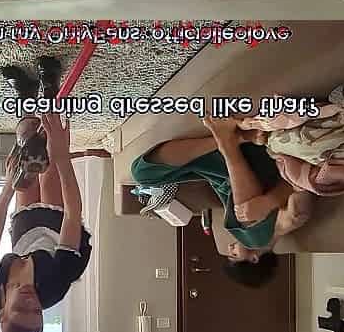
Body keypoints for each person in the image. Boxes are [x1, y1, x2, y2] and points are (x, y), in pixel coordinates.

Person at [0, 58, 92, 332]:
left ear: (2, 315)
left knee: (28, 149)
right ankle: (50, 87)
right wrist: (63, 156)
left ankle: (26, 95)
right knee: (50, 165)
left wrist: (7, 184)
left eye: (20, 310)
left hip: (26, 236)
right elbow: (72, 214)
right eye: (37, 312)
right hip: (60, 233)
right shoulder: (54, 285)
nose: (30, 302)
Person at [132, 115, 313, 288]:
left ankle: (231, 139)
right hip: (256, 163)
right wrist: (268, 202)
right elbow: (301, 182)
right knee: (252, 234)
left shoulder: (244, 230)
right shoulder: (285, 224)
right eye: (234, 255)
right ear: (254, 259)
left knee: (142, 174)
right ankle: (228, 141)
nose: (230, 247)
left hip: (219, 173)